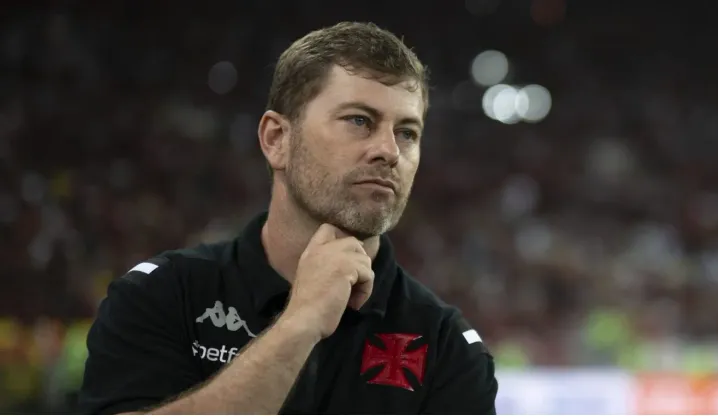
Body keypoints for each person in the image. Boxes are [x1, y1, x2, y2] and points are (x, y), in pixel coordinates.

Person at [79, 21, 498, 414]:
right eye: (359, 121)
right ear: (276, 139)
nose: (389, 151)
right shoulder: (162, 297)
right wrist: (299, 324)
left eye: (407, 132)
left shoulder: (446, 346)